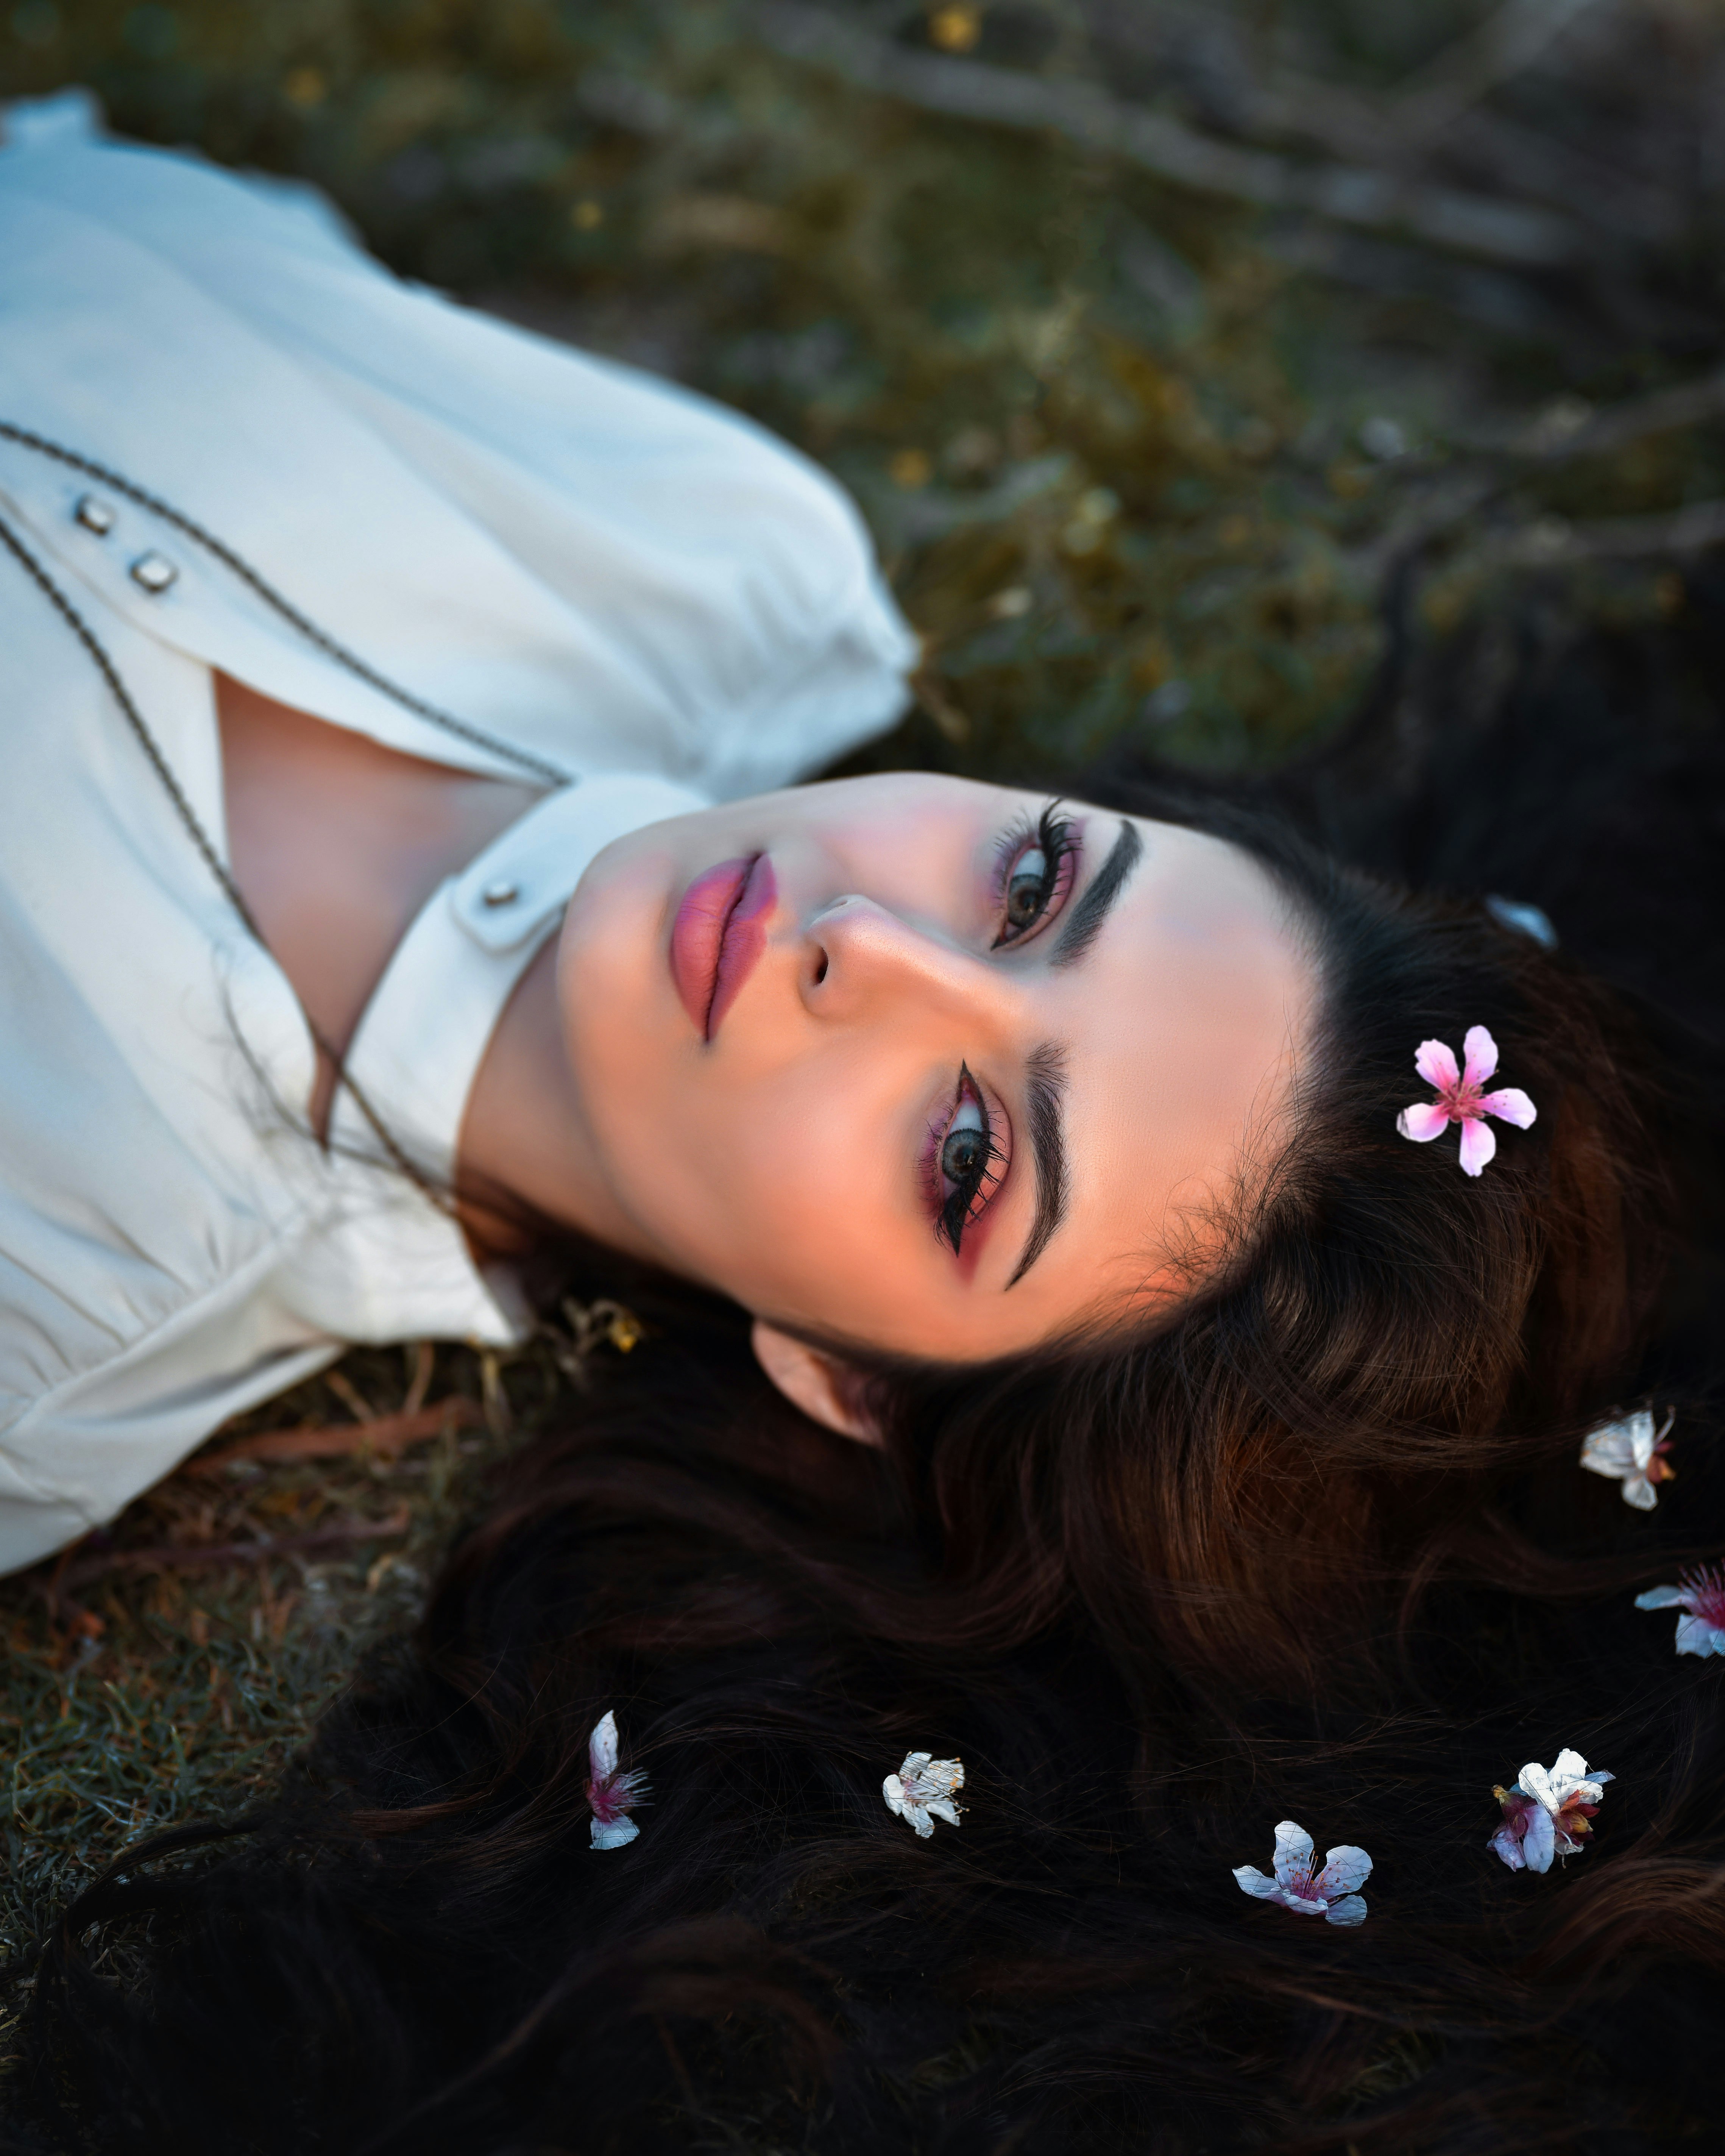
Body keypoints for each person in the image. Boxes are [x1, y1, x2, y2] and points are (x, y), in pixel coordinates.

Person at [6, 99, 1725, 2156]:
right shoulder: (727, 555)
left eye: (967, 1159)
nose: (859, 949)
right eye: (1030, 888)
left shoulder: (50, 1289)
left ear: (847, 1383)